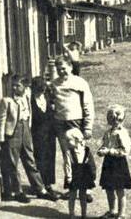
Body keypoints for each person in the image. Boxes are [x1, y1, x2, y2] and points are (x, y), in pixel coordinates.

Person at [0, 75, 58, 203]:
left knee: (30, 160)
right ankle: (18, 191)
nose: (14, 87)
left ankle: (41, 189)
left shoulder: (27, 97)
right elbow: (1, 122)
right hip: (12, 133)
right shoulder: (6, 101)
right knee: (13, 163)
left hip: (26, 131)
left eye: (17, 85)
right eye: (13, 85)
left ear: (24, 87)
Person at [50, 56, 95, 202]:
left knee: (80, 155)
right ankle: (71, 187)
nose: (61, 71)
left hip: (76, 122)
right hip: (60, 123)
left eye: (63, 68)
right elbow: (51, 102)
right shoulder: (54, 84)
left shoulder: (79, 82)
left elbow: (88, 105)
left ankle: (86, 189)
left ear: (70, 67)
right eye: (58, 69)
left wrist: (88, 127)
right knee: (66, 156)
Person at [98, 105, 131, 219]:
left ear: (122, 120)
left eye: (118, 120)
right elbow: (105, 144)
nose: (115, 122)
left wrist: (110, 151)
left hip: (119, 164)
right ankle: (112, 211)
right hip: (108, 162)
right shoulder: (108, 132)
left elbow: (125, 150)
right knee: (109, 188)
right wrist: (101, 150)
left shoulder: (122, 133)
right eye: (112, 120)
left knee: (119, 189)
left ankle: (121, 214)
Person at [30, 76, 57, 196]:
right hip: (38, 134)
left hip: (50, 133)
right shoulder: (30, 101)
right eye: (38, 90)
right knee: (40, 158)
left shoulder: (48, 97)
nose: (41, 92)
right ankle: (39, 185)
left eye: (43, 90)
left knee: (50, 157)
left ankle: (48, 184)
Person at [65, 128, 96, 219]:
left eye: (68, 140)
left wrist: (92, 174)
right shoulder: (69, 152)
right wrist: (69, 176)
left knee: (83, 196)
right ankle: (71, 214)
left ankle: (84, 215)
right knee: (72, 196)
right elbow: (67, 165)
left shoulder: (86, 151)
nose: (66, 143)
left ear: (77, 140)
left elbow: (91, 164)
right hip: (73, 175)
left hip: (84, 175)